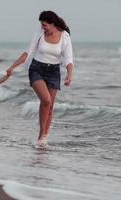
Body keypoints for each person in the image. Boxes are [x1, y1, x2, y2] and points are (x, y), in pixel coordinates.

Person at [7, 11, 73, 145]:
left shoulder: (65, 37)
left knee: (49, 106)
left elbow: (68, 59)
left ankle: (43, 137)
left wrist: (69, 75)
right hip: (37, 69)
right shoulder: (39, 34)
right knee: (46, 100)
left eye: (45, 25)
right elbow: (28, 52)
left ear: (52, 23)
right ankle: (41, 135)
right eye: (41, 24)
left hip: (54, 72)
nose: (43, 27)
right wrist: (12, 67)